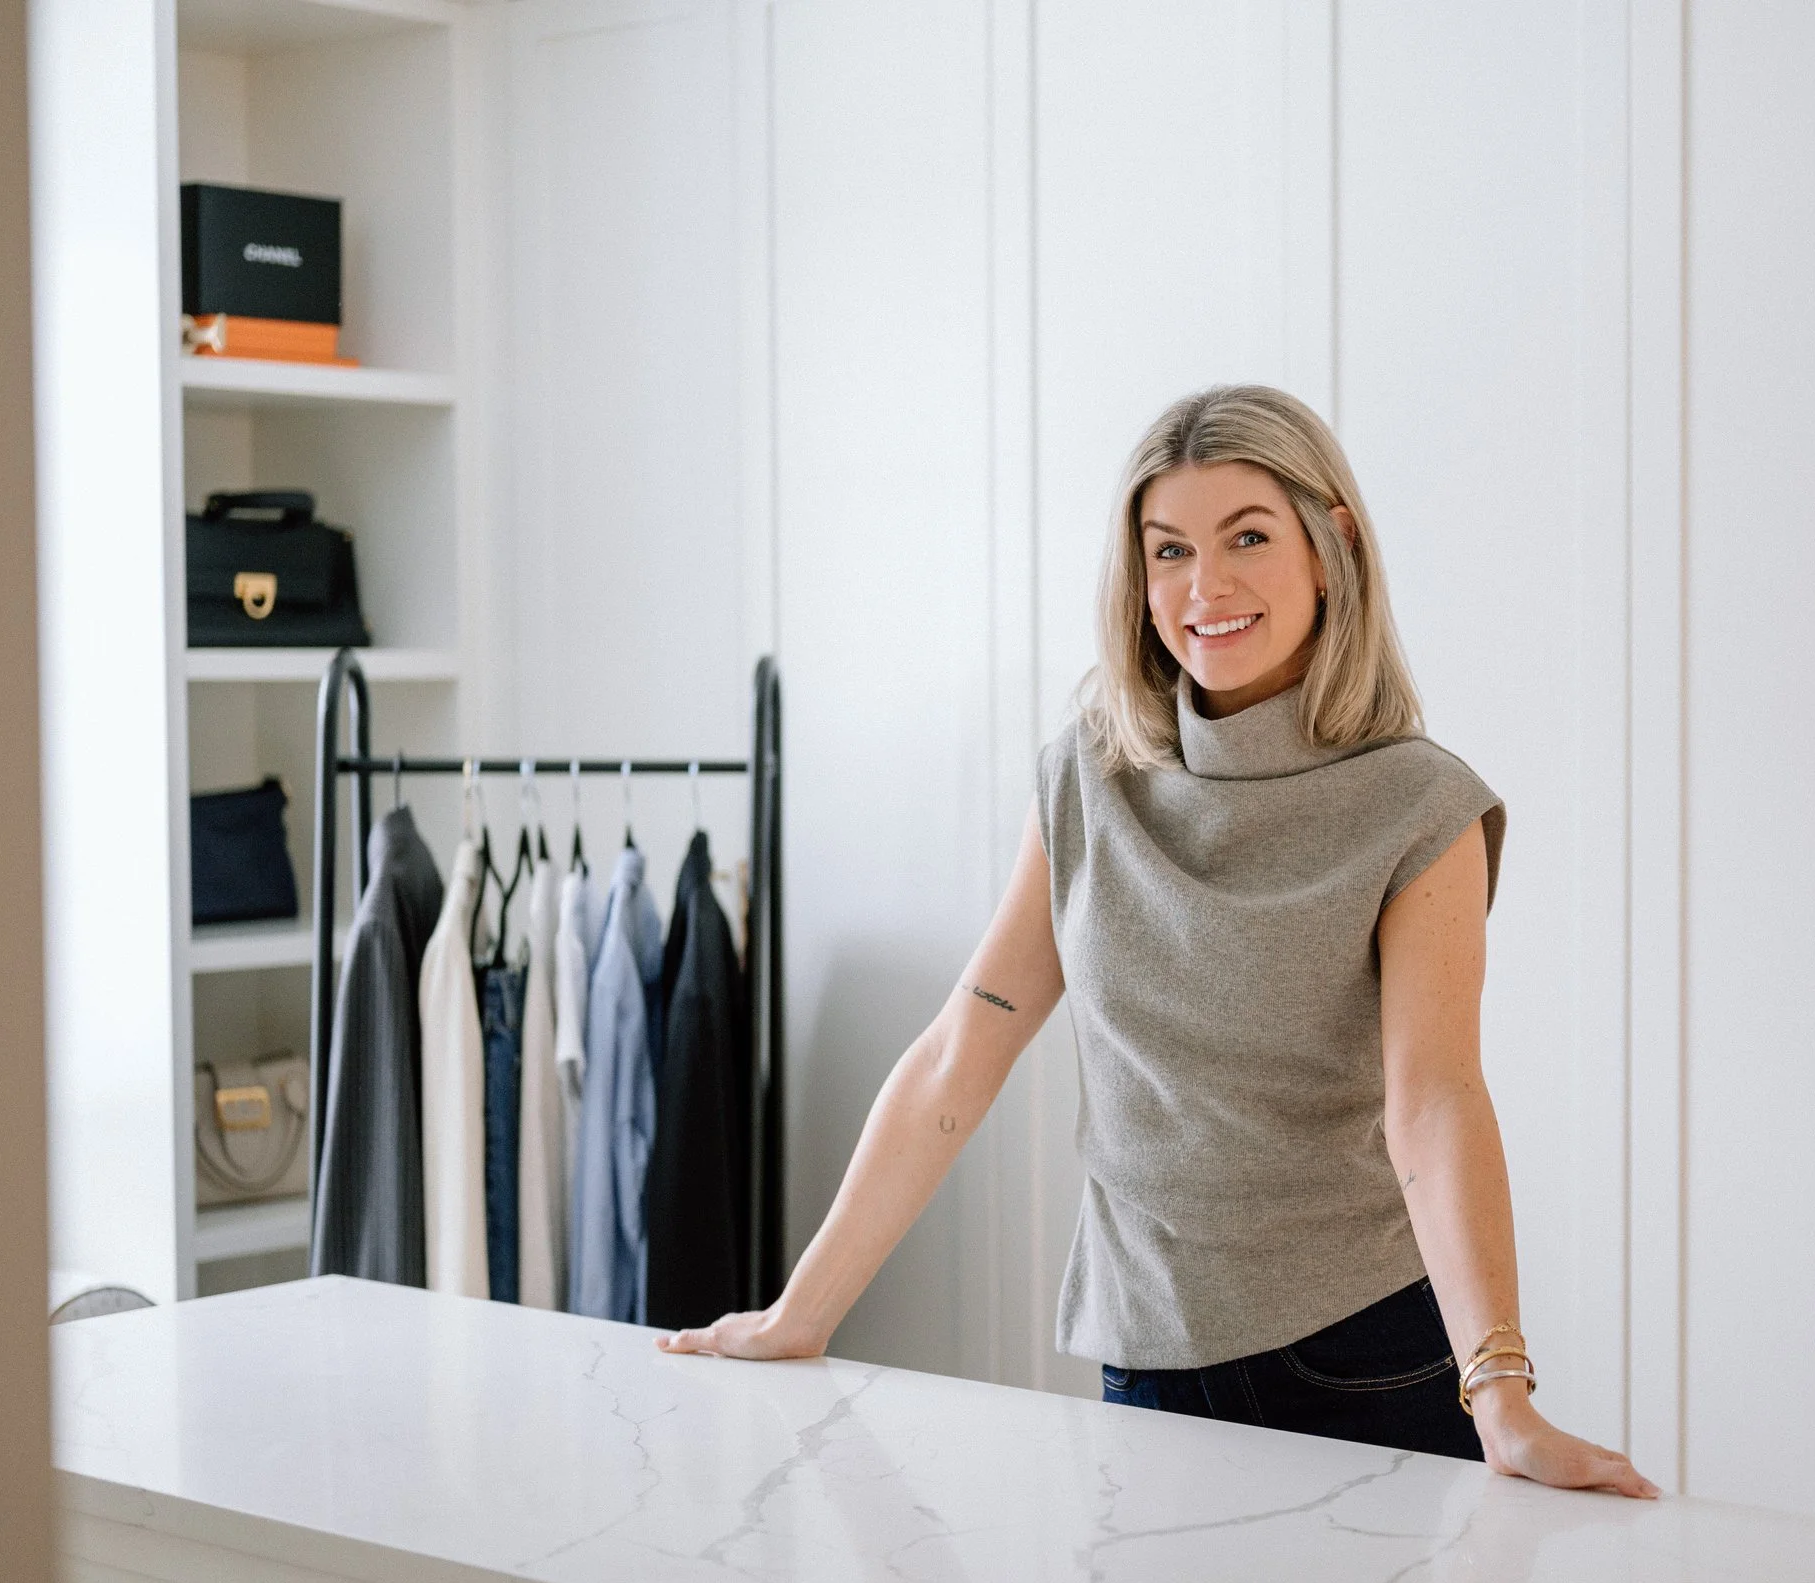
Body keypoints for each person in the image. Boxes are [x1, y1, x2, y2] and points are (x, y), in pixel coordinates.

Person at [660, 385, 1656, 1497]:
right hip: (1146, 1361)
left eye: (1248, 537)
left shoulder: (1418, 807)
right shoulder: (1089, 776)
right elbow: (959, 1054)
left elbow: (1434, 1103)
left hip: (1365, 1358)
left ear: (1333, 544)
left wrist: (1503, 1396)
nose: (1204, 586)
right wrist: (800, 1314)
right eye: (1169, 549)